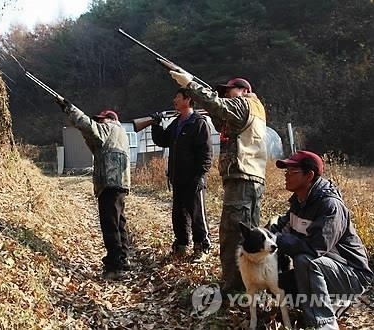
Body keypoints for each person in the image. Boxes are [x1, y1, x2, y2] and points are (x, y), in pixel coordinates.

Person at [163, 65, 267, 292]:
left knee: (233, 235)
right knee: (242, 234)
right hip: (245, 176)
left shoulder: (244, 103)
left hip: (243, 176)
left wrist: (190, 84)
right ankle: (241, 285)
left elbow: (217, 106)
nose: (225, 95)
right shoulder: (252, 109)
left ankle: (235, 289)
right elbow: (220, 116)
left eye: (229, 91)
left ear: (242, 90)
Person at [271, 150, 373, 329]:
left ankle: (324, 323)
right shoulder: (299, 202)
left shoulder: (330, 206)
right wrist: (265, 236)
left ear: (309, 175)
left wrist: (277, 240)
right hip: (328, 268)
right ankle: (330, 302)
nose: (286, 175)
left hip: (352, 274)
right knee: (277, 284)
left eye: (292, 171)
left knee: (306, 261)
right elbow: (279, 228)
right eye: (285, 171)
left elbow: (314, 249)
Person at [56, 99, 132, 280]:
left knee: (110, 225)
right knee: (119, 222)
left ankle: (115, 266)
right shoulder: (120, 133)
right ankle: (123, 258)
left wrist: (68, 108)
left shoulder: (109, 128)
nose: (99, 122)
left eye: (102, 119)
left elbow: (86, 124)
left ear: (110, 119)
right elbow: (93, 141)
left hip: (108, 182)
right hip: (120, 183)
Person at [150, 88, 213, 263]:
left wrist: (201, 175)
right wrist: (156, 124)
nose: (174, 100)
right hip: (177, 178)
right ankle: (182, 245)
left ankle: (202, 246)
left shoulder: (198, 123)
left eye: (177, 97)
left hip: (193, 177)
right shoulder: (177, 122)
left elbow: (206, 152)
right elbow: (163, 140)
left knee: (197, 214)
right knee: (178, 214)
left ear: (188, 99)